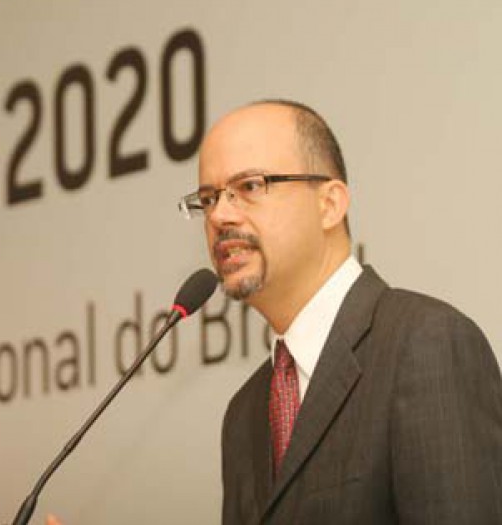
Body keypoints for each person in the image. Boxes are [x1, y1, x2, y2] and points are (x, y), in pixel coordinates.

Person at [179, 99, 502, 524]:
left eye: (251, 186)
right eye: (208, 198)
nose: (220, 215)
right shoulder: (244, 414)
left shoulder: (425, 345)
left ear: (329, 204)